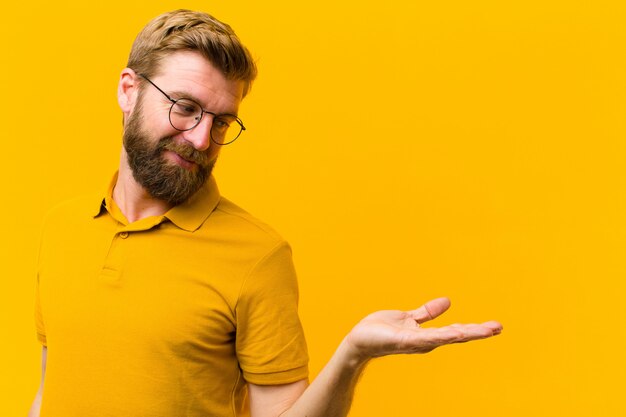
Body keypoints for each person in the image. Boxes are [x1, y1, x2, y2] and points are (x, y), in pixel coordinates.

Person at [29, 9, 502, 417]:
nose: (200, 139)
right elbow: (52, 389)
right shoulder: (62, 228)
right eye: (185, 107)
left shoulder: (258, 255)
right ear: (128, 91)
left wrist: (352, 357)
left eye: (221, 122)